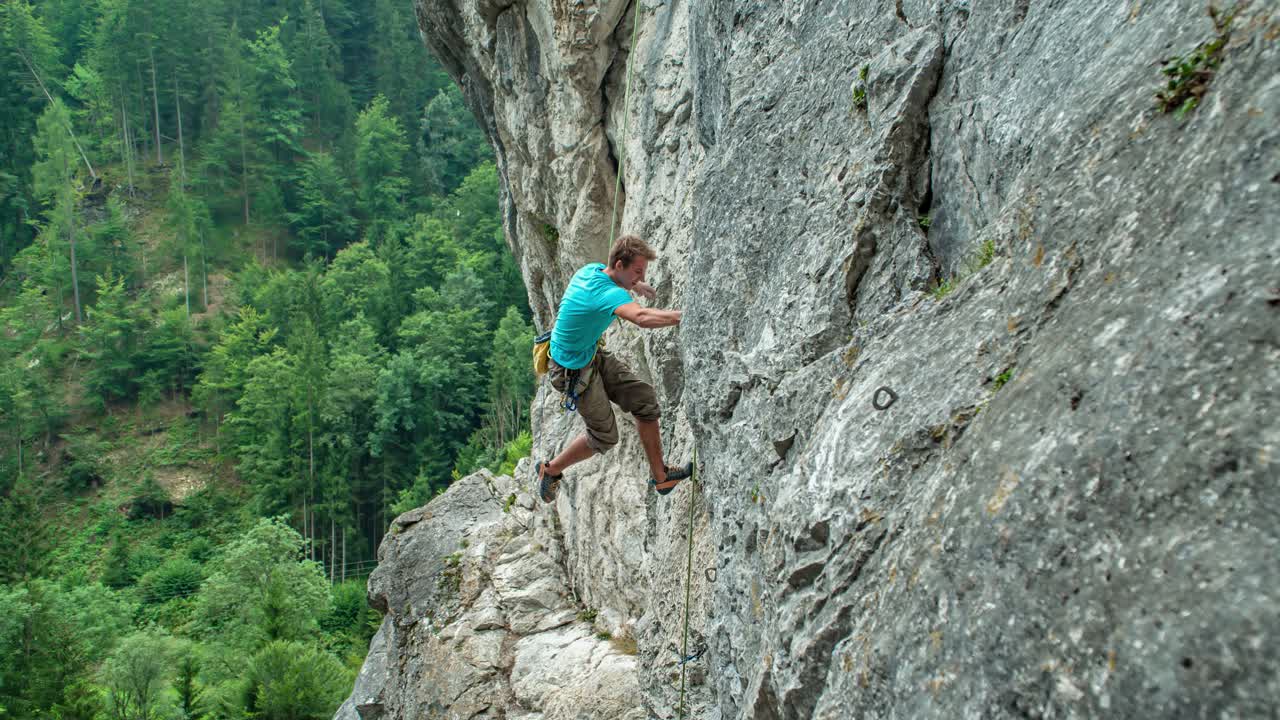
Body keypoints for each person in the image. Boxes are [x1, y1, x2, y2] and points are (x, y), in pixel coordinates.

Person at [535, 234, 692, 503]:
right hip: (572, 372)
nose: (640, 276)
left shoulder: (592, 270)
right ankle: (551, 470)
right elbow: (641, 317)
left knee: (644, 400)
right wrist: (684, 316)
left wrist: (636, 285)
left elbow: (614, 289)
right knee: (605, 438)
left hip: (587, 355)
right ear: (619, 265)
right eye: (637, 271)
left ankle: (661, 477)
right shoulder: (609, 294)